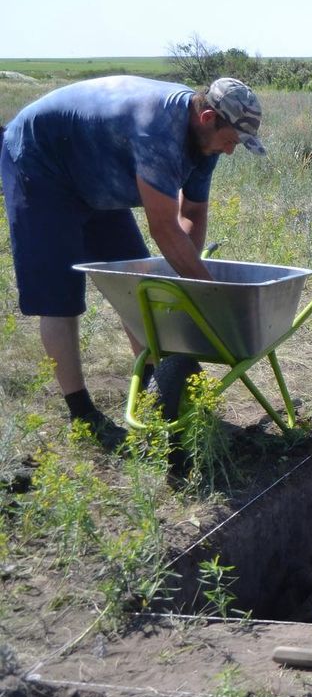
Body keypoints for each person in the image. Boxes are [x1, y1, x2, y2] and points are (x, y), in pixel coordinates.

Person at [1, 75, 265, 447]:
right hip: (40, 161)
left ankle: (156, 391)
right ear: (207, 118)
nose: (230, 151)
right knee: (60, 296)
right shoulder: (157, 132)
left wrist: (187, 286)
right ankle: (83, 415)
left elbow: (192, 213)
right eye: (230, 141)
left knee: (136, 283)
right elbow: (164, 228)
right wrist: (211, 299)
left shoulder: (206, 141)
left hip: (93, 171)